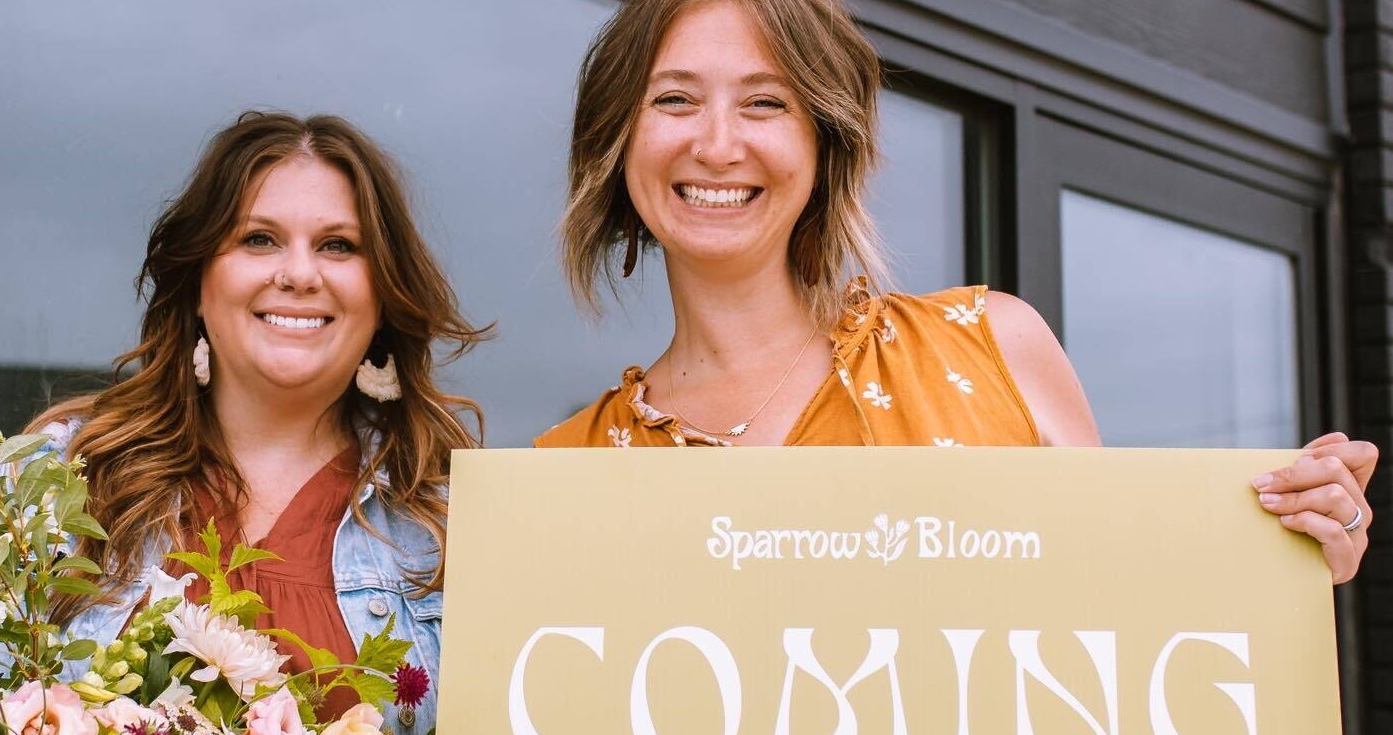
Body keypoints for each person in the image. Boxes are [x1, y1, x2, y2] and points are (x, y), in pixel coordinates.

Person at [533, 0, 1375, 583]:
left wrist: (1287, 562)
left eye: (765, 102)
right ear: (616, 140)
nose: (717, 145)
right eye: (675, 99)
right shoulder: (561, 475)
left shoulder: (994, 347)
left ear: (826, 141)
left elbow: (1124, 620)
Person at [0, 111, 485, 735]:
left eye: (338, 245)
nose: (300, 274)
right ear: (199, 279)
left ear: (383, 293)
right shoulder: (51, 483)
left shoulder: (447, 522)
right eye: (259, 239)